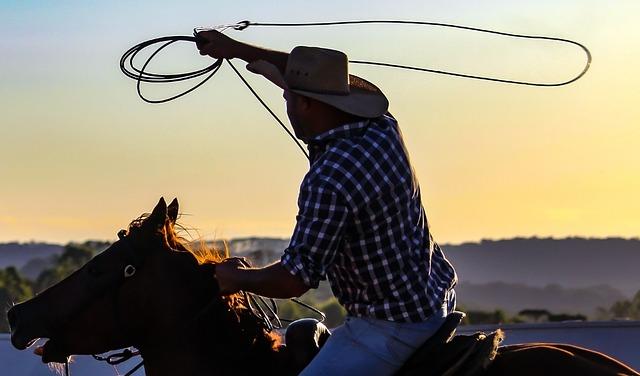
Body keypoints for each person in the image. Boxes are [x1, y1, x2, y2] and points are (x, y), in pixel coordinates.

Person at [196, 30, 458, 376]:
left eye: (289, 97)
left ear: (305, 104)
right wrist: (238, 49)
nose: (285, 101)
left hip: (390, 327)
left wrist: (234, 277)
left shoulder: (329, 179)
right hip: (433, 297)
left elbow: (294, 279)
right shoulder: (382, 127)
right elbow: (299, 75)